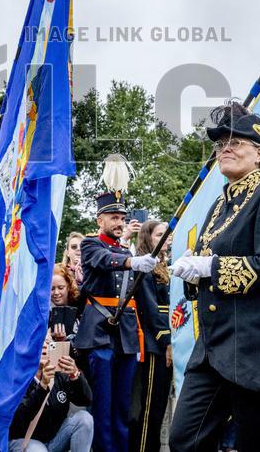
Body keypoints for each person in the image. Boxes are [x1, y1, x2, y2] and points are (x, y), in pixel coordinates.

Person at [167, 104, 260, 452]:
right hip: (212, 350)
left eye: (235, 142)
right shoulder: (217, 205)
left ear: (259, 153)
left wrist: (209, 267)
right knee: (184, 439)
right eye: (221, 143)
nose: (225, 148)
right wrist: (191, 271)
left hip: (255, 349)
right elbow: (204, 277)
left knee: (257, 445)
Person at [76, 154, 157, 452]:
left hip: (126, 336)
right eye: (114, 218)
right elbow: (102, 260)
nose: (120, 222)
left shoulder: (126, 252)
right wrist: (132, 261)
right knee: (102, 408)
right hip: (99, 334)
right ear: (100, 220)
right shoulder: (90, 244)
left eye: (122, 218)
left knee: (123, 408)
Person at [129, 220, 172, 452]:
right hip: (155, 343)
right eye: (159, 234)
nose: (166, 238)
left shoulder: (167, 265)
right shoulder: (144, 267)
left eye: (167, 234)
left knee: (160, 406)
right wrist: (166, 340)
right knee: (150, 408)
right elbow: (151, 309)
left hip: (170, 340)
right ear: (147, 238)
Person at [8, 341, 94, 452]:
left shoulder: (59, 374)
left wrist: (75, 375)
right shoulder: (18, 377)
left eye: (48, 342)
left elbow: (86, 400)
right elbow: (19, 418)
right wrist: (42, 386)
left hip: (55, 440)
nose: (44, 345)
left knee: (84, 419)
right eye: (40, 341)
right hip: (25, 441)